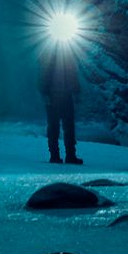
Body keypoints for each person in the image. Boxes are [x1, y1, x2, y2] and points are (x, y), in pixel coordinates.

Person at [40, 14, 82, 165]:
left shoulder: (53, 51)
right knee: (58, 127)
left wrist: (76, 90)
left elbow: (72, 73)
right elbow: (45, 74)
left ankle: (63, 156)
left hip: (60, 95)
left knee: (63, 126)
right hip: (57, 95)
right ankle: (61, 156)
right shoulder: (55, 51)